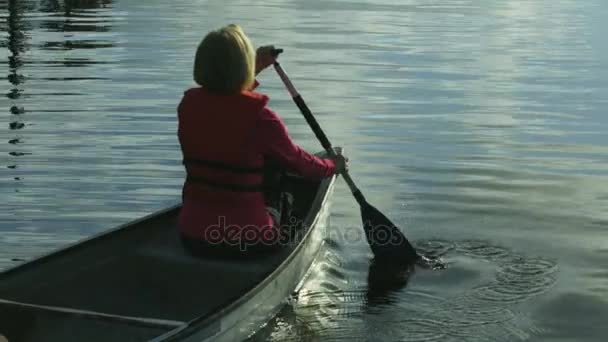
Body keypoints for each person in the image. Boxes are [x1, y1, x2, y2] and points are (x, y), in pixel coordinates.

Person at [177, 24, 348, 258]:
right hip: (249, 240)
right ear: (242, 67)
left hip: (192, 234)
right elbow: (302, 165)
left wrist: (255, 65)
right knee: (277, 168)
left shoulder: (188, 108)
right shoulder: (261, 119)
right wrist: (333, 166)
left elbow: (223, 100)